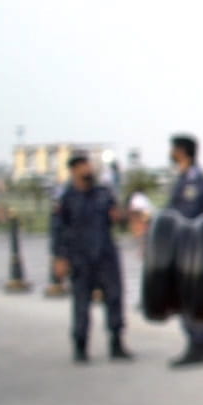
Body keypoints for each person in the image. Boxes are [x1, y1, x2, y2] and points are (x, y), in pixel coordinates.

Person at [49, 153, 131, 363]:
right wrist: (59, 257)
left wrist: (121, 217)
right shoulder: (65, 198)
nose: (88, 169)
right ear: (74, 170)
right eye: (83, 166)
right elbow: (58, 229)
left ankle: (116, 343)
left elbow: (118, 219)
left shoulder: (104, 194)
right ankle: (80, 346)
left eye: (89, 165)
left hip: (105, 254)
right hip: (80, 257)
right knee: (81, 304)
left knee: (114, 298)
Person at [167, 134, 203, 367]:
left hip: (191, 247)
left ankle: (200, 344)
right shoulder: (184, 177)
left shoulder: (193, 179)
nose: (170, 153)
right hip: (186, 245)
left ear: (182, 151)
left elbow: (187, 214)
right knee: (194, 295)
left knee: (190, 296)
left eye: (173, 149)